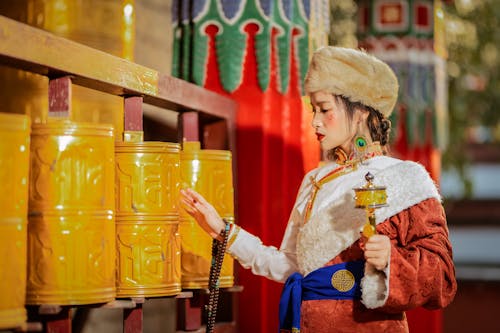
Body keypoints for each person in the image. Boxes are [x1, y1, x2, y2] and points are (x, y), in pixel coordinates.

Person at [180, 46, 457, 333]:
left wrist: (392, 259)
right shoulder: (315, 181)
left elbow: (442, 278)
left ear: (360, 112)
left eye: (325, 109)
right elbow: (291, 266)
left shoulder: (407, 179)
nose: (315, 121)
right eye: (314, 110)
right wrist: (223, 231)